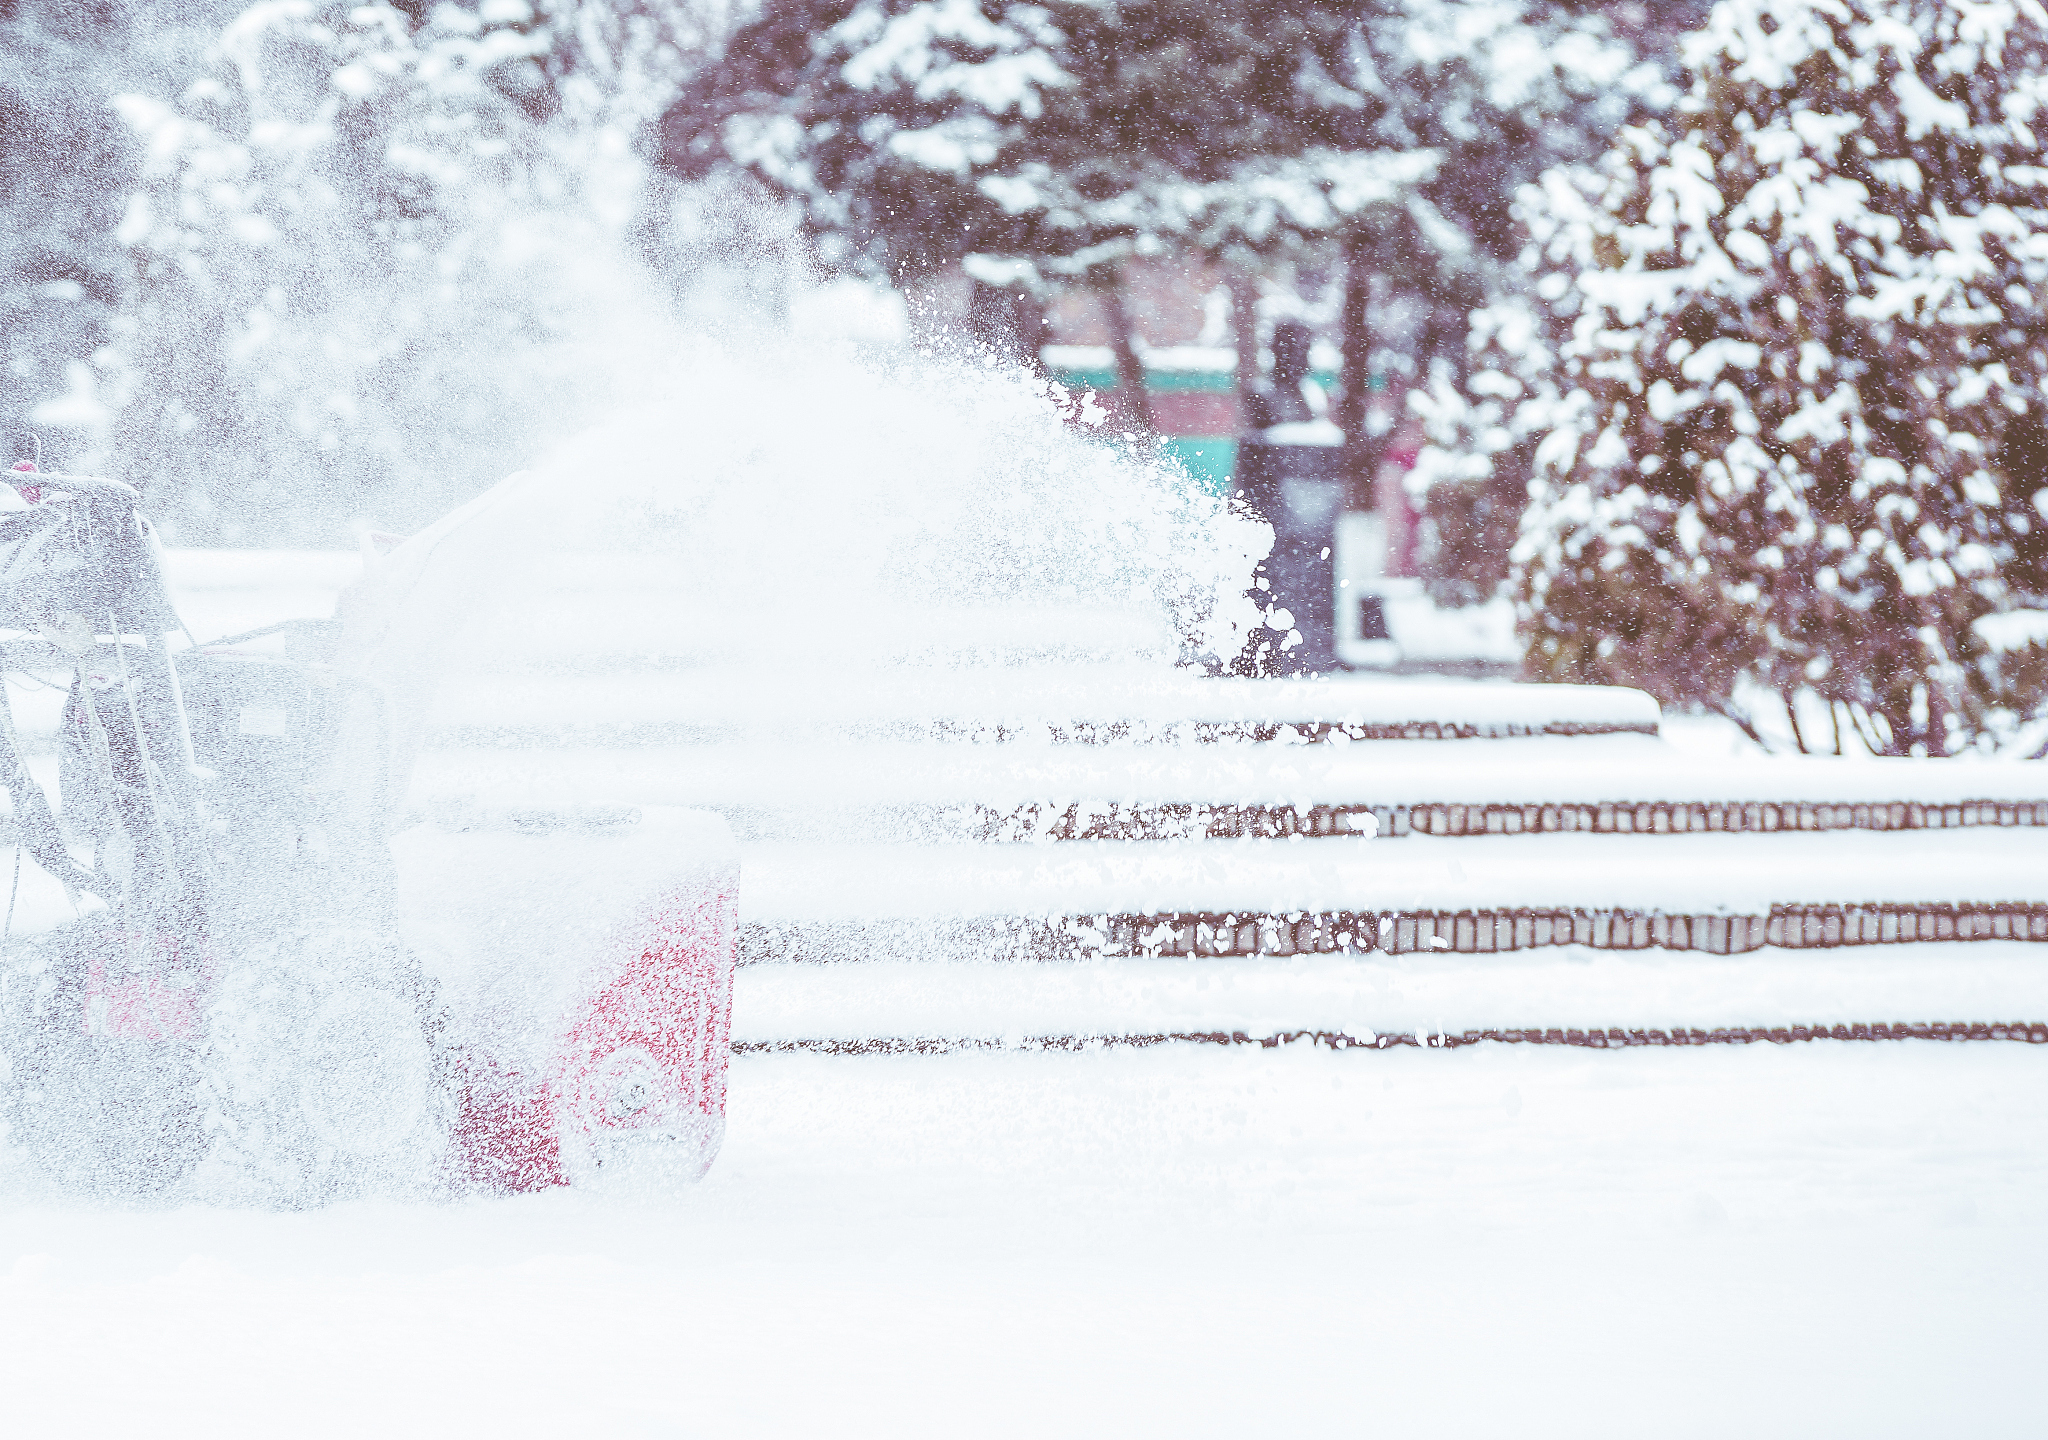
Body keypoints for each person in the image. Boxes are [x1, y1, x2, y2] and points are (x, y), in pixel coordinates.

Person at [1235, 321, 1345, 674]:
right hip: (1268, 515)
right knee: (1269, 584)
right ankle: (1263, 651)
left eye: (1304, 349)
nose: (1299, 357)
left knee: (1309, 581)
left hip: (1305, 518)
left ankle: (1312, 646)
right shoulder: (1261, 394)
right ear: (1277, 352)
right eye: (1292, 348)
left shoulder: (1310, 396)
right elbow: (1255, 449)